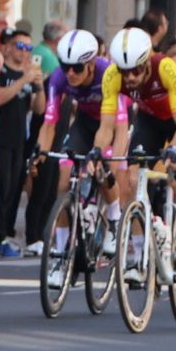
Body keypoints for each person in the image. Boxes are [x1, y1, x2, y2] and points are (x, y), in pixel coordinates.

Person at [97, 25, 176, 279]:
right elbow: (106, 127)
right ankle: (138, 257)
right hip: (149, 119)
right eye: (125, 72)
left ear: (147, 61)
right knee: (132, 181)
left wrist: (173, 150)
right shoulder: (112, 77)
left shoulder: (166, 68)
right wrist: (97, 151)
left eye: (136, 70)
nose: (130, 78)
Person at [33, 30, 126, 288]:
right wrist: (40, 151)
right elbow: (49, 123)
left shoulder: (108, 74)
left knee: (103, 170)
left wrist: (114, 166)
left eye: (76, 68)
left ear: (91, 64)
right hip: (85, 124)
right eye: (65, 67)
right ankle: (62, 255)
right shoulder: (59, 79)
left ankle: (115, 219)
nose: (70, 73)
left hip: (112, 124)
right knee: (63, 180)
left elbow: (119, 127)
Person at [0, 26, 45, 258]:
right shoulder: (2, 72)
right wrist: (23, 80)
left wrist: (38, 85)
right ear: (10, 48)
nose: (24, 52)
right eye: (20, 46)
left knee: (13, 190)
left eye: (28, 48)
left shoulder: (28, 74)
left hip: (19, 141)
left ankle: (5, 233)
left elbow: (39, 109)